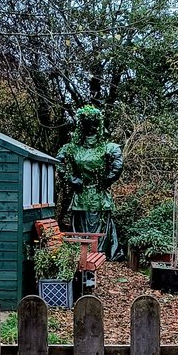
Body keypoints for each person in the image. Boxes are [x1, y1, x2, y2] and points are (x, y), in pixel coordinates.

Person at [57, 105, 123, 259]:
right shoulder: (72, 148)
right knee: (80, 223)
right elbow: (58, 161)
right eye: (86, 123)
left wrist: (106, 181)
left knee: (98, 222)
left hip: (98, 195)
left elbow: (118, 165)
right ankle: (82, 254)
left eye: (93, 123)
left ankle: (97, 253)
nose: (90, 127)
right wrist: (72, 179)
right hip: (80, 195)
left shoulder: (109, 147)